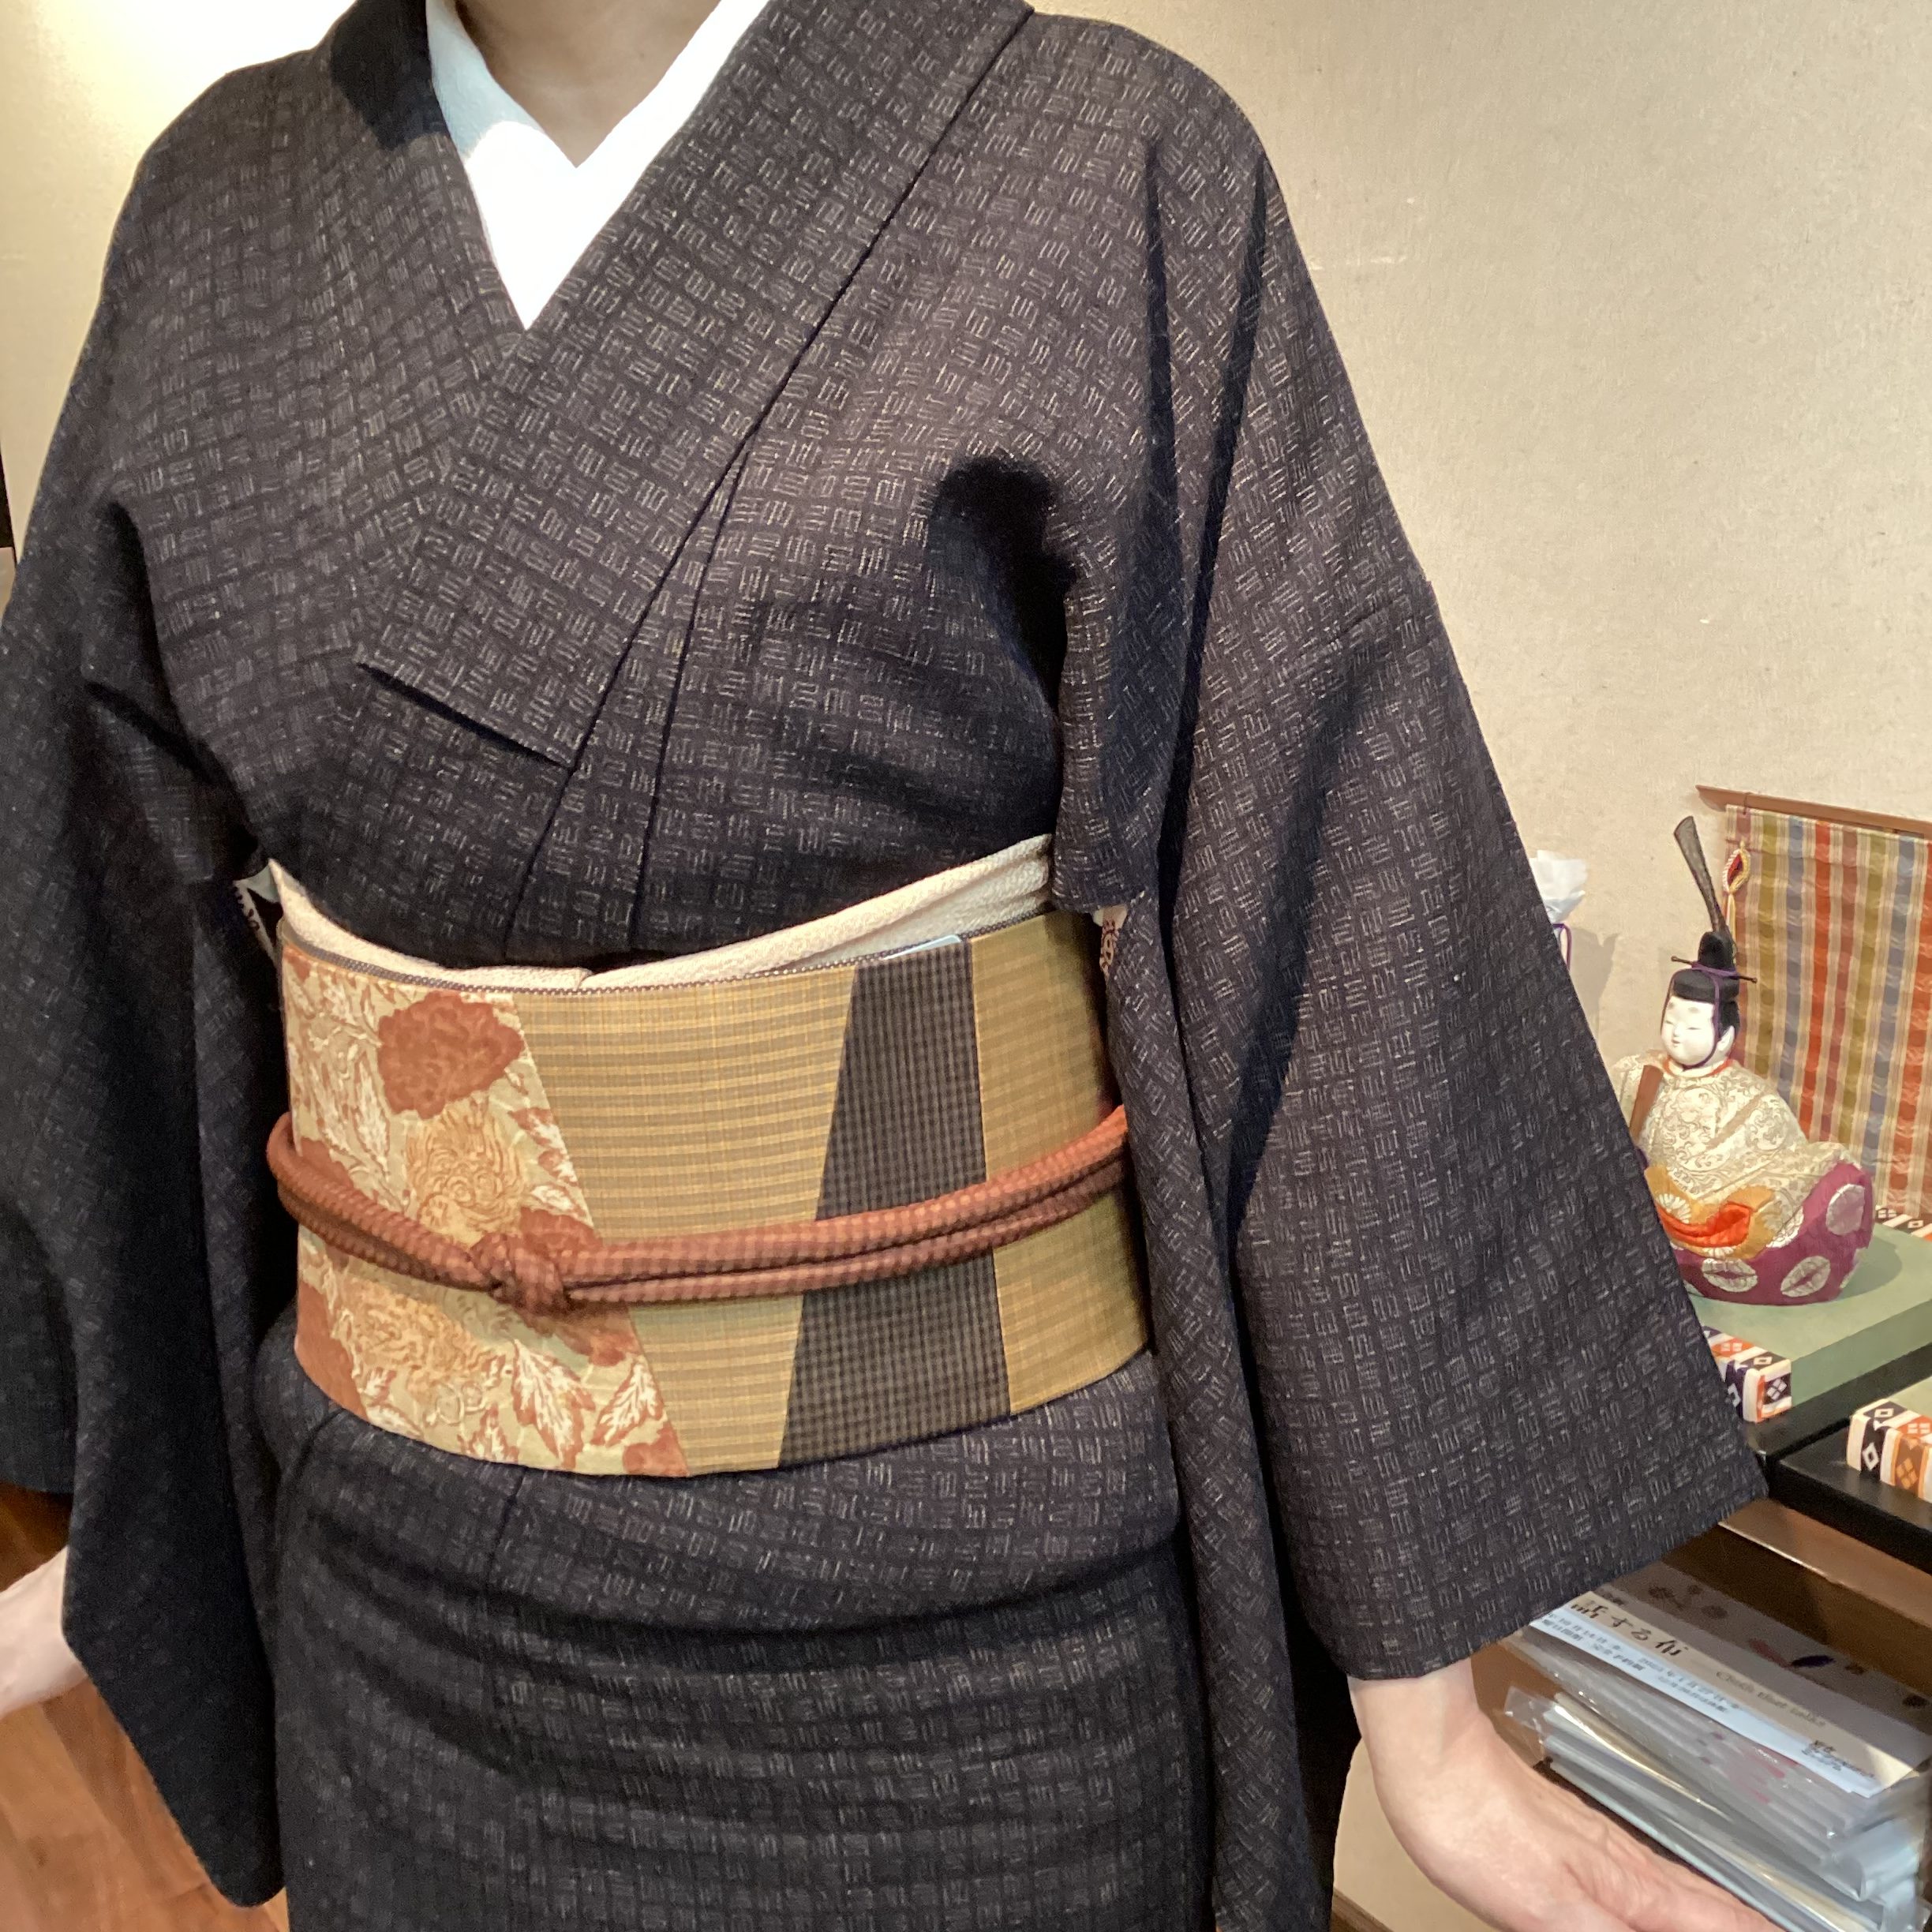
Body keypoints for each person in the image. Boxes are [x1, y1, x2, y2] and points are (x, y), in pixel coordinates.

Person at [0, 1, 1773, 1927]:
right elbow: (97, 910)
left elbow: (1319, 886)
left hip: (970, 1626)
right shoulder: (218, 209)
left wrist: (1432, 1725)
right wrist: (133, 1517)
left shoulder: (1103, 158)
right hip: (407, 1610)